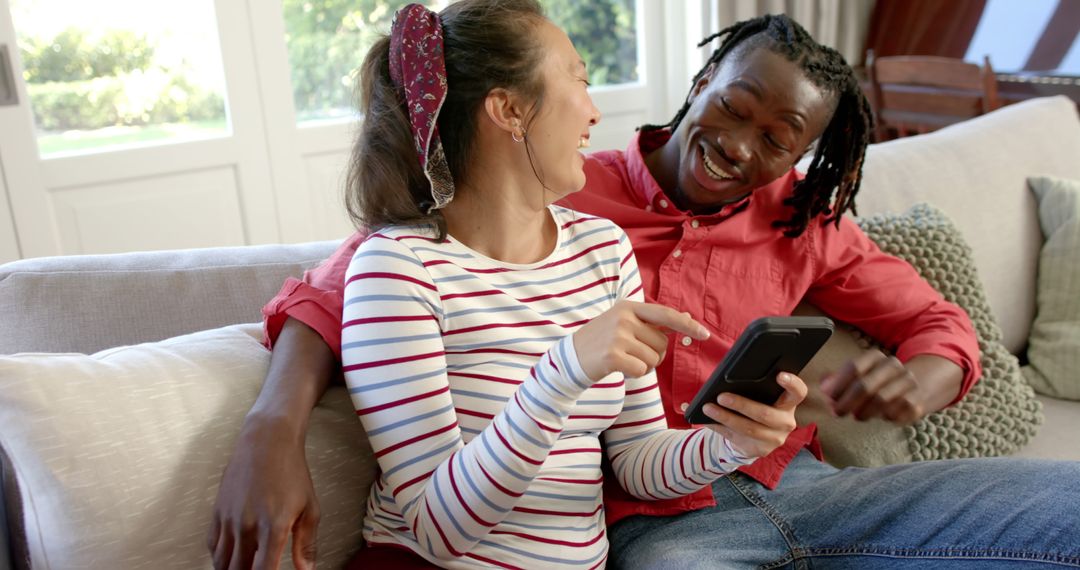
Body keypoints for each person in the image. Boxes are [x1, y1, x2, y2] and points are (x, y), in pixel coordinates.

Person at [210, 10, 1080, 570]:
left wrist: (923, 377)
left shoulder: (793, 219)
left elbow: (934, 322)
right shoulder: (547, 194)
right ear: (701, 83)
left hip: (793, 484)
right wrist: (271, 423)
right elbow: (338, 291)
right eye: (737, 108)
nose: (745, 148)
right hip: (650, 529)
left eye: (781, 139)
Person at [208, 2, 809, 568]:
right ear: (510, 110)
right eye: (579, 81)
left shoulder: (602, 250)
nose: (594, 113)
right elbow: (436, 528)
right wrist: (564, 370)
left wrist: (733, 442)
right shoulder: (397, 271)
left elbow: (636, 464)